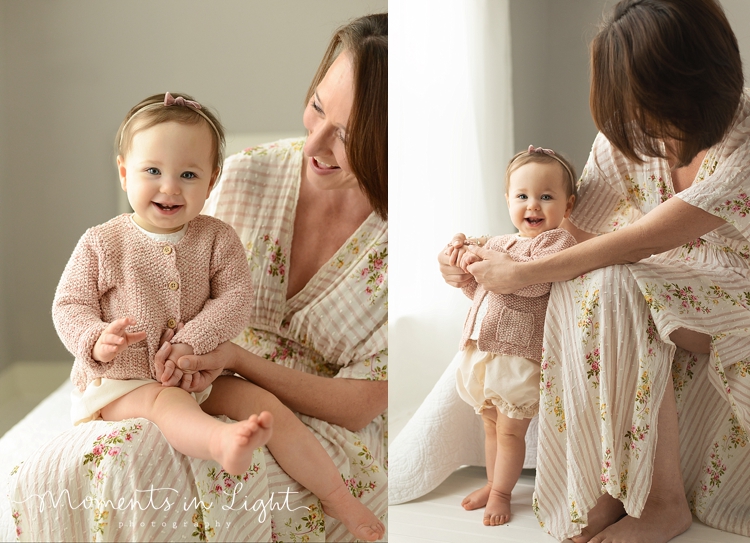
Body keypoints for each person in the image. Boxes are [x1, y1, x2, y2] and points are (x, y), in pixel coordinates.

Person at [11, 14, 387, 543]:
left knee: (269, 410)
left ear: (211, 179)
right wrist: (96, 340)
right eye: (318, 107)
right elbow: (69, 304)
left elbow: (233, 298)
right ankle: (219, 444)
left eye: (188, 175)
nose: (169, 188)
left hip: (215, 376)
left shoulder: (214, 238)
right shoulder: (104, 241)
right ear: (123, 172)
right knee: (155, 419)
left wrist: (200, 344)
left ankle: (343, 499)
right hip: (126, 382)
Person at [439, 1, 750, 542]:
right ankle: (612, 489)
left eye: (642, 96)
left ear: (692, 77)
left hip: (736, 292)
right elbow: (570, 234)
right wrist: (484, 262)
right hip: (660, 278)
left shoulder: (743, 139)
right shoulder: (629, 135)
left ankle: (663, 502)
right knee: (598, 280)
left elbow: (641, 239)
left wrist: (517, 274)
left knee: (614, 279)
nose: (632, 115)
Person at [445, 146, 577, 526]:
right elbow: (483, 291)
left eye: (546, 197)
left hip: (519, 357)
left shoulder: (555, 244)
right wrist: (466, 261)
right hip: (481, 349)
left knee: (509, 431)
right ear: (508, 200)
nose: (532, 206)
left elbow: (534, 285)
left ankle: (503, 492)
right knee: (488, 424)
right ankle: (492, 482)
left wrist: (499, 267)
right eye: (522, 196)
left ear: (567, 207)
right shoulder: (500, 243)